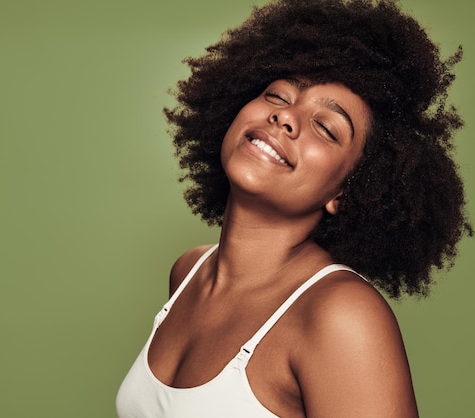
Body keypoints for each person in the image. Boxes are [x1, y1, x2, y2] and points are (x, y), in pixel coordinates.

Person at [116, 0, 472, 416]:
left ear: (347, 192)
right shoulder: (188, 272)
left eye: (326, 127)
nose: (285, 116)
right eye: (277, 95)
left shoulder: (340, 316)